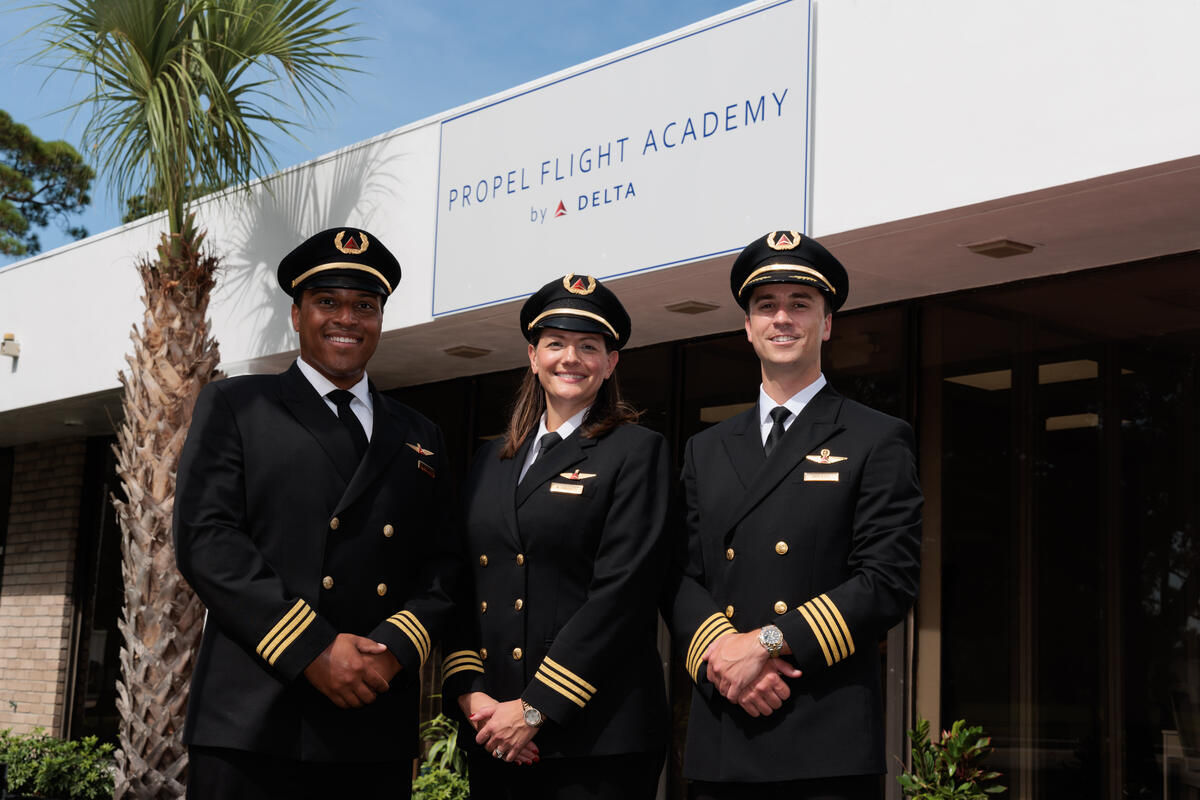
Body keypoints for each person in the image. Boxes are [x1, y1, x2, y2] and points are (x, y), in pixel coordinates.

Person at [173, 227, 459, 800]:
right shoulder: (237, 404)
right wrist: (314, 650)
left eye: (365, 306)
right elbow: (208, 541)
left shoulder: (420, 433)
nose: (346, 319)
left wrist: (393, 651)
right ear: (297, 314)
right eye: (327, 302)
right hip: (255, 718)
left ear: (380, 319)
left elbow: (444, 564)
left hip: (372, 715)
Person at [668, 230, 923, 800]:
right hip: (723, 732)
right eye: (766, 306)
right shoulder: (705, 449)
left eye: (800, 304)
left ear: (826, 324)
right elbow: (680, 575)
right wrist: (722, 659)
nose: (782, 318)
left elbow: (888, 581)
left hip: (820, 736)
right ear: (748, 327)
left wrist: (765, 645)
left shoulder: (876, 437)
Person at [440, 274, 671, 800]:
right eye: (556, 344)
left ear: (611, 363)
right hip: (496, 730)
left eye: (589, 346)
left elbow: (623, 596)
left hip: (597, 737)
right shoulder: (490, 459)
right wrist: (471, 695)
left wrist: (536, 706)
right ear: (532, 355)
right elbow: (462, 584)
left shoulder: (636, 452)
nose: (571, 358)